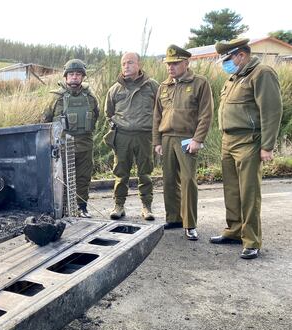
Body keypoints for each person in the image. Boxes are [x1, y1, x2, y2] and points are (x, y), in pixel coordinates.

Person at [210, 38, 282, 259]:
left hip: (249, 141)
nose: (225, 64)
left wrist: (267, 146)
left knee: (249, 193)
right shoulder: (234, 77)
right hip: (229, 140)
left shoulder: (261, 74)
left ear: (241, 55)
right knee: (232, 190)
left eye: (227, 58)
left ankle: (251, 240)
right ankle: (234, 231)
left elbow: (272, 111)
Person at [153, 45, 213, 240]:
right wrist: (157, 141)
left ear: (186, 63)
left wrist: (198, 139)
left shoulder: (199, 83)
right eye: (168, 64)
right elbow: (156, 116)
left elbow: (206, 114)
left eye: (175, 63)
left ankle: (190, 224)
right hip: (167, 138)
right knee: (169, 181)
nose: (170, 67)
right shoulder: (164, 86)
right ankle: (174, 218)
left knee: (188, 180)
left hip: (187, 138)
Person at [105, 52, 159, 220]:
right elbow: (109, 113)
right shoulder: (114, 89)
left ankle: (146, 207)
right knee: (121, 173)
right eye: (123, 63)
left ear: (139, 65)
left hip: (145, 136)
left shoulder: (152, 86)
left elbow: (161, 110)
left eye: (130, 62)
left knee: (145, 173)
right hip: (122, 137)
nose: (126, 66)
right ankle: (119, 206)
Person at [42, 59, 99, 218]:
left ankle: (82, 208)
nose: (75, 77)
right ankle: (63, 210)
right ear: (66, 76)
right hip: (62, 146)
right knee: (61, 179)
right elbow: (45, 122)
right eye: (71, 74)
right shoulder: (55, 98)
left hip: (85, 145)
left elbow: (96, 116)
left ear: (83, 77)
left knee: (83, 178)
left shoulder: (90, 97)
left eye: (78, 74)